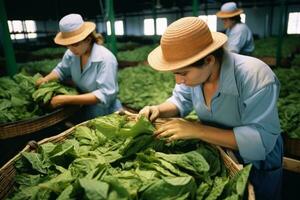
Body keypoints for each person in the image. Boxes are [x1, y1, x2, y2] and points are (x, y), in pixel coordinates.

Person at [139, 17, 282, 200]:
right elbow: (180, 99)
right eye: (175, 74)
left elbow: (260, 141)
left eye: (183, 73)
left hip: (258, 162)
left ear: (208, 60)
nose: (179, 81)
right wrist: (158, 109)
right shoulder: (195, 75)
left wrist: (198, 130)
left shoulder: (255, 77)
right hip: (219, 152)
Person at [36, 13, 122, 121]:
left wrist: (66, 99)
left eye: (75, 44)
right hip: (83, 107)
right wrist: (46, 79)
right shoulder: (71, 54)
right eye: (68, 44)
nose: (71, 49)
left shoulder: (106, 59)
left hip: (106, 112)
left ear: (88, 39)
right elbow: (61, 70)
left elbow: (105, 94)